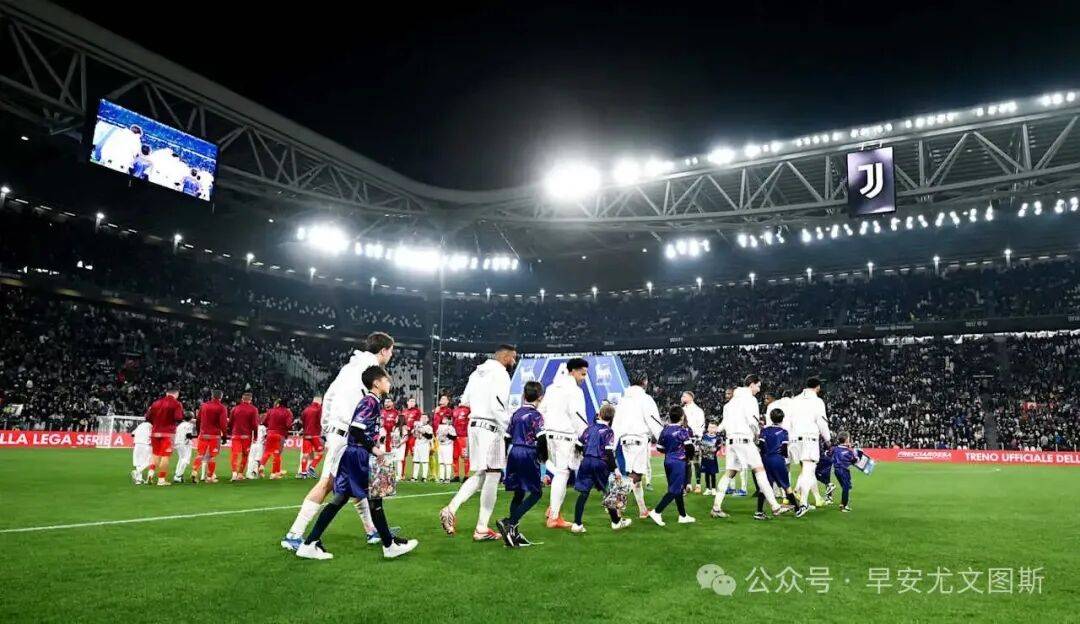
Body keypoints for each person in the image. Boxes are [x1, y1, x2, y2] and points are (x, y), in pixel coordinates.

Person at [281, 332, 395, 552]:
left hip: (338, 431)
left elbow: (330, 395)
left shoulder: (349, 367)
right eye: (391, 351)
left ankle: (372, 530)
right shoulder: (371, 371)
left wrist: (327, 428)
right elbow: (362, 409)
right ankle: (294, 533)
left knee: (358, 483)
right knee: (327, 483)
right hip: (348, 435)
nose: (391, 355)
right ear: (383, 350)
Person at [296, 366, 418, 560]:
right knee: (374, 499)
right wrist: (374, 448)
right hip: (359, 455)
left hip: (353, 454)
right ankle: (389, 545)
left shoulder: (372, 401)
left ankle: (310, 543)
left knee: (341, 499)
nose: (389, 382)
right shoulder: (370, 402)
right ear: (376, 383)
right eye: (386, 379)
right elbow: (355, 429)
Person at [439, 345, 518, 541]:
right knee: (493, 474)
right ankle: (482, 527)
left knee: (481, 473)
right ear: (505, 357)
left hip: (474, 425)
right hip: (491, 427)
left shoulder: (476, 373)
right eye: (513, 358)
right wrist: (509, 428)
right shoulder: (501, 373)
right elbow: (498, 405)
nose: (514, 362)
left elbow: (465, 400)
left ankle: (451, 509)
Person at [710, 375, 788, 518]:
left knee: (729, 473)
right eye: (758, 386)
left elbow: (723, 424)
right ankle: (775, 507)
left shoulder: (730, 403)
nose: (759, 390)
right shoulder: (750, 399)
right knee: (760, 471)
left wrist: (716, 430)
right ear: (751, 384)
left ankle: (716, 507)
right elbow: (753, 421)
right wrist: (758, 434)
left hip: (731, 441)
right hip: (744, 440)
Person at [539, 357, 590, 530]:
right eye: (582, 374)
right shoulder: (575, 391)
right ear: (573, 371)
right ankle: (554, 516)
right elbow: (578, 417)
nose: (584, 378)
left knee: (559, 473)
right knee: (562, 474)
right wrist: (585, 437)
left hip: (550, 435)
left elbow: (542, 411)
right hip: (565, 436)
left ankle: (554, 510)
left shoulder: (551, 388)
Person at [497, 381, 548, 547]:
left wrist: (506, 456)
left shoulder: (516, 414)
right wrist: (543, 457)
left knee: (518, 493)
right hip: (528, 452)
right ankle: (510, 522)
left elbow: (507, 437)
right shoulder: (536, 415)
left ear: (524, 395)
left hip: (514, 452)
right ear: (540, 397)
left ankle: (514, 535)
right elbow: (542, 438)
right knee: (536, 493)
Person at [571, 404, 632, 533]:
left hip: (586, 461)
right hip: (600, 463)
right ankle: (616, 522)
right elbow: (609, 452)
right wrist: (615, 469)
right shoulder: (608, 431)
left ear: (599, 414)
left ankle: (577, 523)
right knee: (609, 493)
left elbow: (578, 445)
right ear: (612, 417)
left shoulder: (589, 429)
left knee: (584, 494)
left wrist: (586, 452)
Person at [612, 372, 664, 519]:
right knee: (635, 476)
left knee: (635, 475)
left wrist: (612, 444)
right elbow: (654, 420)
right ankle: (616, 504)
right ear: (645, 382)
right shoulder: (645, 398)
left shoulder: (623, 400)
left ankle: (642, 510)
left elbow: (616, 423)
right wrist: (663, 439)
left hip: (625, 440)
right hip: (639, 439)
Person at [786, 377, 832, 518]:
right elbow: (821, 422)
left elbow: (788, 421)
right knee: (808, 470)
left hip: (794, 439)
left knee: (805, 470)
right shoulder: (817, 401)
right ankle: (803, 503)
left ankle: (797, 493)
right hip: (809, 439)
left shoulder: (794, 400)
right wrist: (828, 439)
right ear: (817, 387)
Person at [648, 406, 697, 526]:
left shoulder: (665, 430)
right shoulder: (682, 431)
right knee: (675, 490)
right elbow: (690, 448)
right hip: (679, 462)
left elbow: (659, 448)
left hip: (668, 461)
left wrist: (670, 451)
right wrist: (688, 458)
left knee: (677, 489)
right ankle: (657, 511)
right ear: (682, 416)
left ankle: (683, 516)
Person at [756, 408, 800, 520]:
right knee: (786, 486)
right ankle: (797, 509)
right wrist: (784, 457)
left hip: (765, 459)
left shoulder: (764, 430)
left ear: (771, 418)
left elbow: (760, 446)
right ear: (782, 419)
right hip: (777, 459)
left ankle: (759, 511)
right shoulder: (784, 432)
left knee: (764, 486)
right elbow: (784, 449)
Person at [144, 387, 184, 486]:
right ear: (176, 394)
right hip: (168, 433)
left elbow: (147, 417)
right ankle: (161, 479)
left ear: (166, 393)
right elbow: (178, 418)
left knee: (155, 455)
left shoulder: (156, 403)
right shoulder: (177, 404)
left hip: (155, 432)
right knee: (165, 456)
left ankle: (150, 474)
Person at [192, 389, 227, 483]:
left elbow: (198, 420)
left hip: (203, 434)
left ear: (212, 396)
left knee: (200, 454)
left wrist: (199, 432)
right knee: (212, 456)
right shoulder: (222, 408)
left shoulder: (204, 406)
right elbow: (223, 424)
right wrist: (224, 436)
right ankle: (209, 477)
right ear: (221, 397)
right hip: (214, 435)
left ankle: (194, 471)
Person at [259, 399, 294, 479]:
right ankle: (274, 473)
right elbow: (288, 425)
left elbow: (264, 422)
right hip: (280, 434)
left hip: (270, 433)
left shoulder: (271, 411)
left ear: (278, 404)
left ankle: (262, 465)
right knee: (277, 454)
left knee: (267, 451)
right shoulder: (288, 412)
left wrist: (271, 426)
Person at [228, 392, 259, 482]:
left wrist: (230, 432)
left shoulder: (235, 408)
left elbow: (230, 423)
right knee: (245, 455)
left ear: (242, 399)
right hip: (246, 436)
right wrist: (255, 436)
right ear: (251, 400)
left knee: (235, 454)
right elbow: (255, 424)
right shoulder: (254, 409)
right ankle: (240, 474)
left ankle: (234, 473)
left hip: (235, 435)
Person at [828, 433, 861, 512]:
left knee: (846, 486)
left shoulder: (835, 448)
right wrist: (859, 454)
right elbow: (854, 461)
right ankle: (844, 505)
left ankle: (843, 503)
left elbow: (828, 454)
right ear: (846, 440)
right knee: (846, 487)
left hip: (836, 470)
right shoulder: (848, 451)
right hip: (844, 470)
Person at [681, 391, 706, 494]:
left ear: (691, 397)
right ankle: (688, 484)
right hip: (684, 439)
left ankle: (698, 484)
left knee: (696, 462)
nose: (682, 398)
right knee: (686, 462)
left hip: (695, 439)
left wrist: (698, 437)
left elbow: (701, 425)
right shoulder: (682, 410)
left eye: (684, 396)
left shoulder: (698, 410)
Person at [299, 395, 324, 478]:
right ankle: (312, 467)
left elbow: (302, 421)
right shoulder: (319, 409)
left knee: (305, 454)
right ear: (319, 401)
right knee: (320, 452)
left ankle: (303, 473)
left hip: (306, 435)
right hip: (315, 435)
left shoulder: (306, 409)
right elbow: (321, 420)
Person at [172, 413, 196, 483]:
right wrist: (197, 436)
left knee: (181, 459)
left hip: (178, 442)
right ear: (191, 418)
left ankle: (177, 474)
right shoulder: (189, 425)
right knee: (185, 460)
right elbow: (188, 436)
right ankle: (178, 476)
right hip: (185, 443)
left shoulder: (180, 425)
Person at [451, 399, 471, 480]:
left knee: (465, 456)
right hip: (455, 437)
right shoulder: (455, 410)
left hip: (464, 436)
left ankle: (466, 475)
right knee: (455, 456)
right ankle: (456, 475)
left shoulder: (469, 410)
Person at [699, 421, 720, 495]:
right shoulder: (704, 436)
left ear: (716, 429)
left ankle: (713, 489)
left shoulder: (717, 438)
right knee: (706, 473)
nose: (711, 429)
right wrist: (701, 448)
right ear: (707, 428)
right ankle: (708, 488)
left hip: (712, 459)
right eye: (710, 427)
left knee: (713, 473)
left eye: (713, 427)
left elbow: (718, 447)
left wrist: (715, 449)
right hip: (705, 458)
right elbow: (701, 445)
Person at [411, 414, 434, 482]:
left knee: (424, 461)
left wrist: (422, 432)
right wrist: (414, 431)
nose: (423, 419)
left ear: (427, 419)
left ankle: (424, 477)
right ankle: (414, 477)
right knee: (416, 461)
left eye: (425, 417)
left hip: (425, 445)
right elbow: (415, 436)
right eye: (422, 417)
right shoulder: (417, 426)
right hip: (417, 445)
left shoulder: (429, 427)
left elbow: (430, 436)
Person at [131, 420, 153, 485]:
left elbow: (132, 434)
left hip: (137, 445)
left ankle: (138, 480)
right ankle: (137, 472)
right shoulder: (151, 425)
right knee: (150, 461)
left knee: (138, 463)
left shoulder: (140, 425)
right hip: (146, 445)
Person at [436, 416, 456, 482]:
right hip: (441, 445)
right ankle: (441, 478)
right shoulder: (440, 427)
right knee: (441, 462)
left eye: (446, 419)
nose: (444, 420)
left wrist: (447, 434)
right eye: (444, 419)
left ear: (449, 420)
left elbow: (454, 437)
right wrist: (439, 438)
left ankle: (447, 478)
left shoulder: (451, 427)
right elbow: (437, 435)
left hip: (448, 446)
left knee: (447, 463)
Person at [390, 416, 409, 480]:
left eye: (397, 418)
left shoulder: (403, 428)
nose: (395, 419)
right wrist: (391, 443)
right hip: (394, 446)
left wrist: (400, 444)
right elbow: (392, 437)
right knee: (393, 460)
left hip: (401, 446)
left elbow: (406, 438)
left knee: (399, 460)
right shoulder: (394, 427)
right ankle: (394, 475)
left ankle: (399, 475)